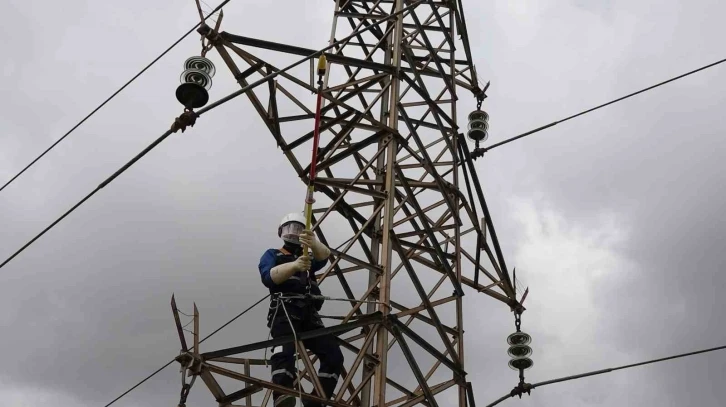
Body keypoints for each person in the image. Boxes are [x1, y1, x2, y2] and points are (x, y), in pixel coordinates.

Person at [258, 212, 344, 407]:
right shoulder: (273, 254)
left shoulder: (306, 257)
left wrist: (313, 242)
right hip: (285, 311)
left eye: (298, 229)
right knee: (283, 352)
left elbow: (324, 256)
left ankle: (318, 400)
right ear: (281, 232)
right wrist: (294, 266)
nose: (294, 233)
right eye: (291, 229)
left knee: (333, 355)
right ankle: (283, 393)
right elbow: (269, 277)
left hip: (309, 314)